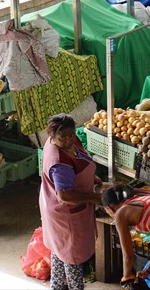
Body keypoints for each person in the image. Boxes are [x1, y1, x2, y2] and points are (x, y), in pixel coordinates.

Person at [39, 113, 103, 290]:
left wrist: (92, 177)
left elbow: (80, 161)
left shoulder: (65, 142)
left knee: (59, 248)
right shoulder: (60, 164)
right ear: (52, 136)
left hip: (52, 206)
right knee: (71, 256)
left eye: (71, 135)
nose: (68, 140)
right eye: (63, 137)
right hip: (66, 214)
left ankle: (57, 286)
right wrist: (93, 197)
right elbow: (65, 196)